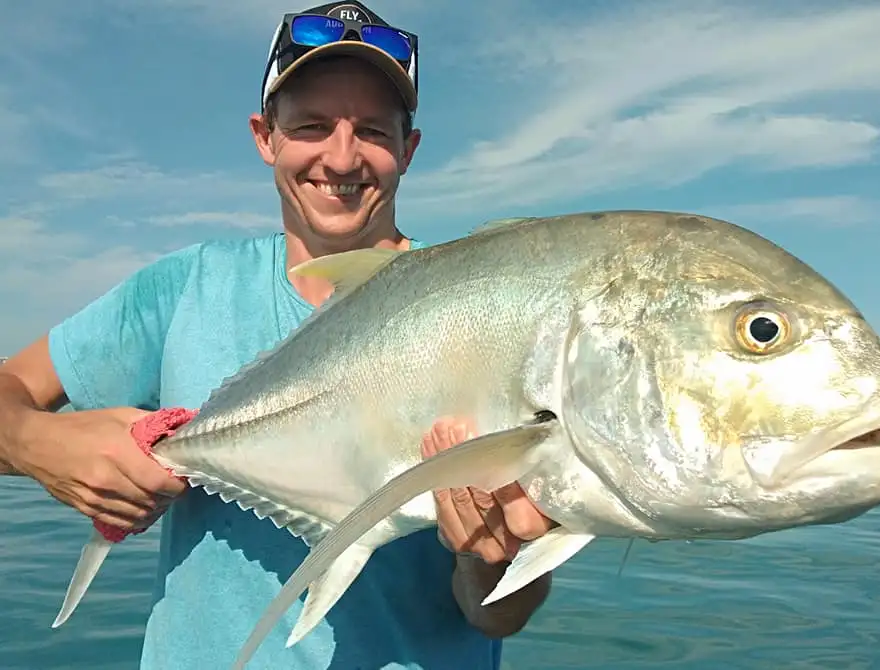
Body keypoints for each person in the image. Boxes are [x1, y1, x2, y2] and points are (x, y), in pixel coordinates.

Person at [0, 3, 555, 668]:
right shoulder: (185, 288)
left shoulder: (489, 305)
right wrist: (38, 442)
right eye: (313, 126)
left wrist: (490, 561)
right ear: (267, 137)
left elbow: (496, 616)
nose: (342, 157)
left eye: (373, 131)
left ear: (409, 148)